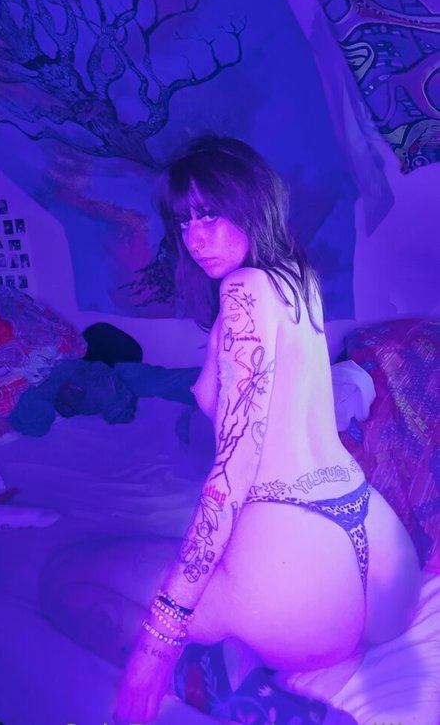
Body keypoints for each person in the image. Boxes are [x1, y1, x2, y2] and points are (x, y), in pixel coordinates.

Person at [39, 134, 421, 724]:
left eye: (210, 213)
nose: (195, 237)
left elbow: (230, 475)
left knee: (63, 577)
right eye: (184, 220)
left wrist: (156, 646)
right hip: (379, 561)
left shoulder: (243, 292)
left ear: (251, 204)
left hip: (300, 579)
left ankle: (239, 693)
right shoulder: (297, 277)